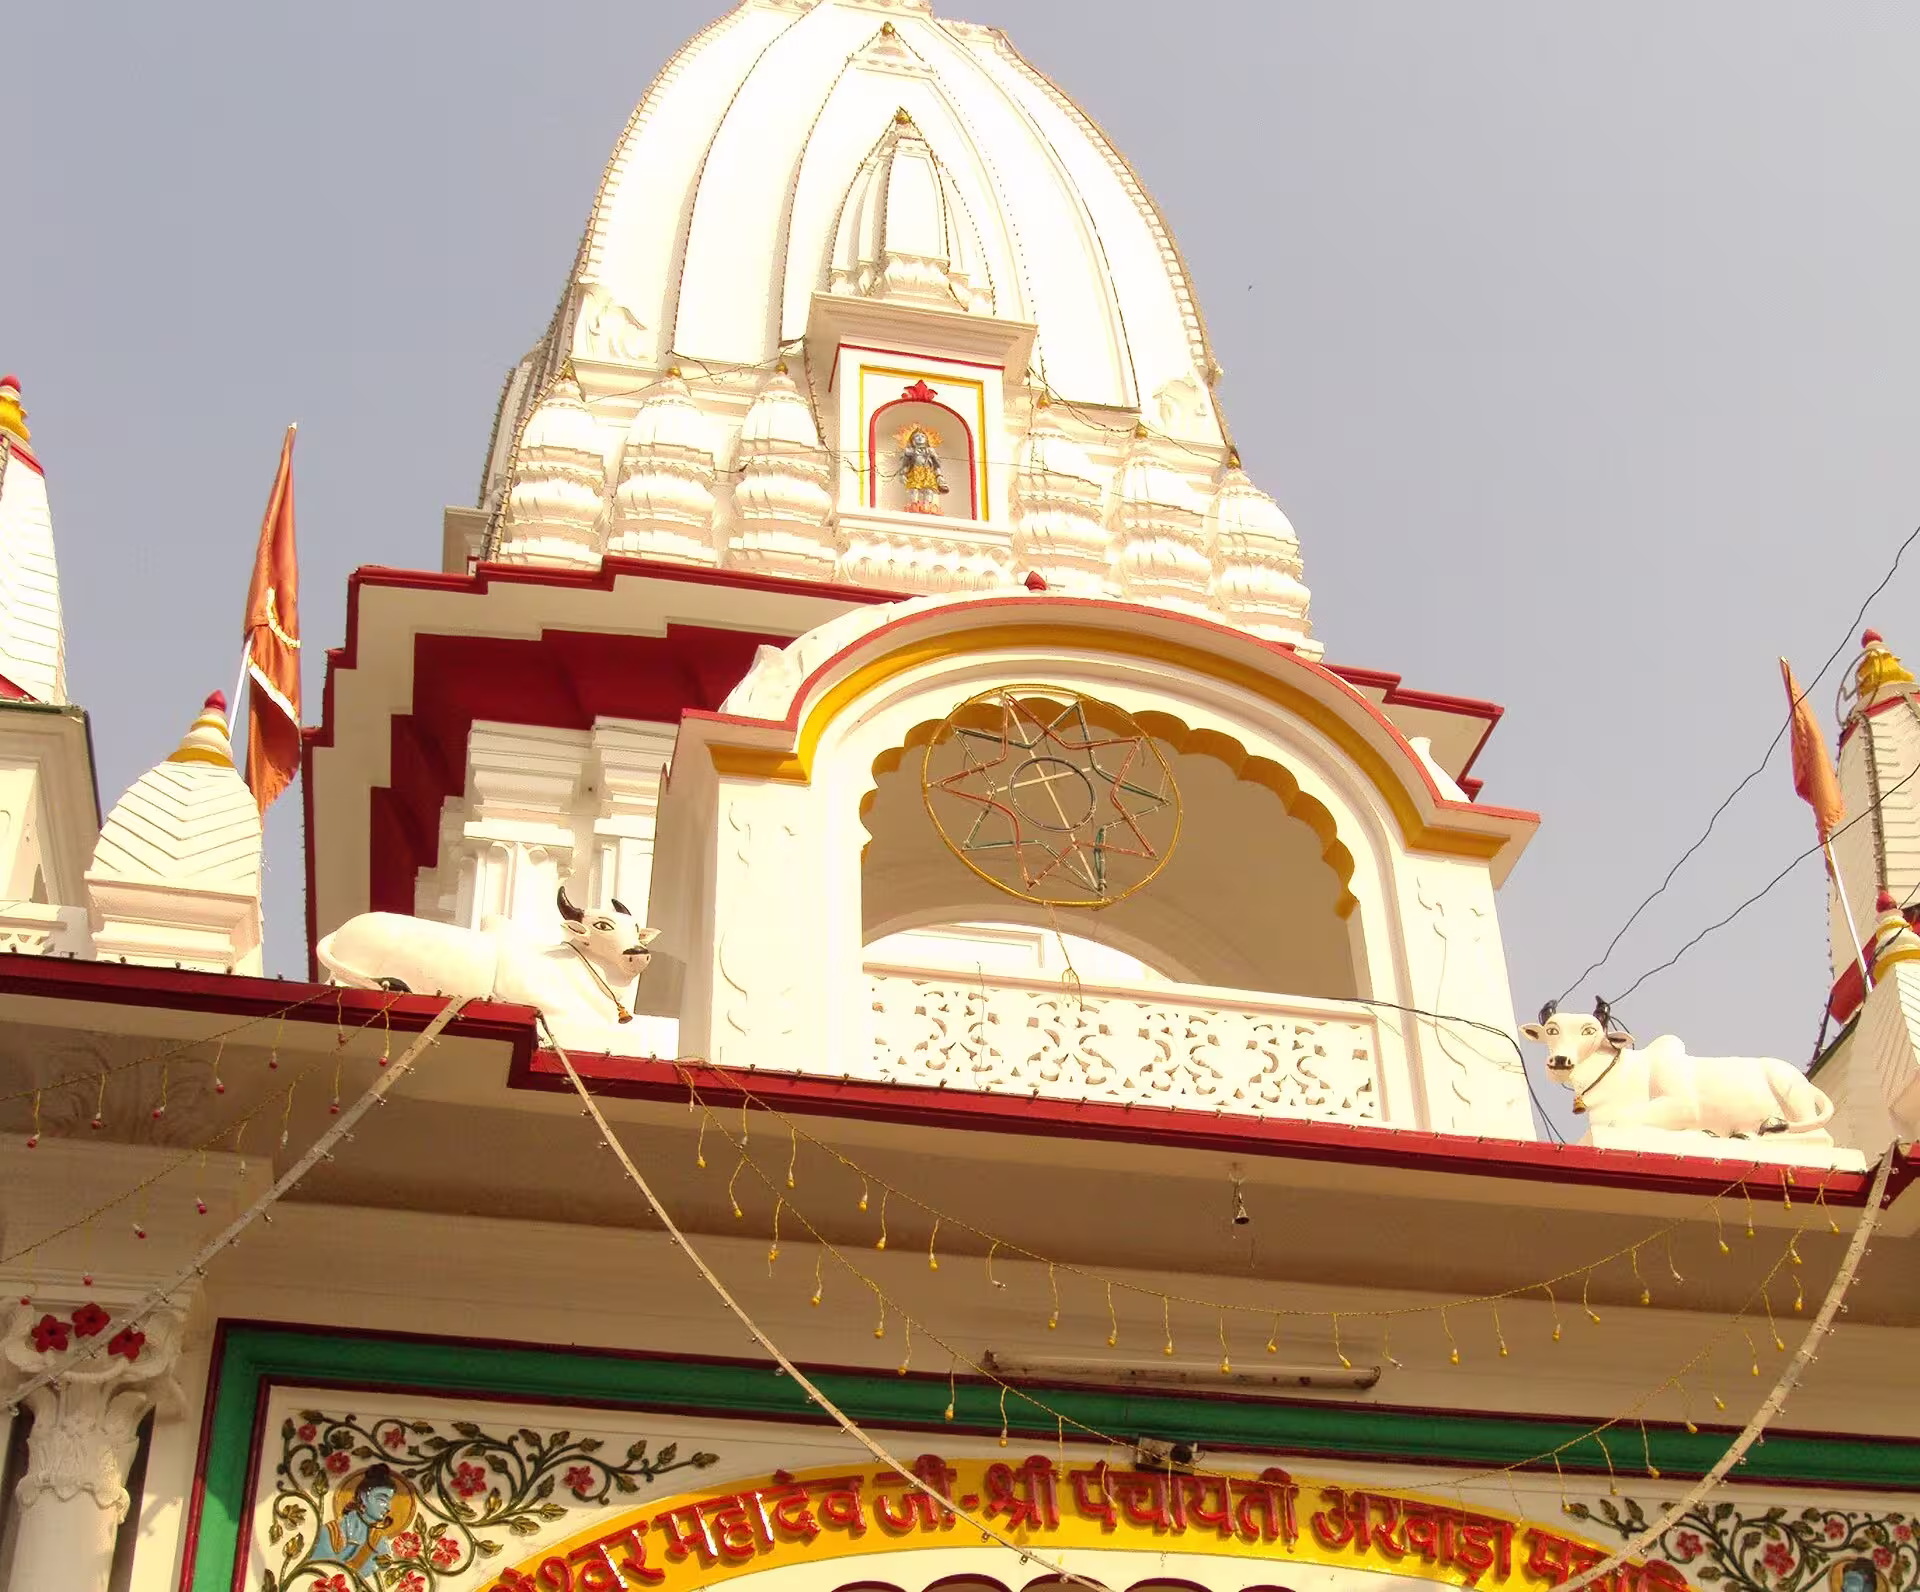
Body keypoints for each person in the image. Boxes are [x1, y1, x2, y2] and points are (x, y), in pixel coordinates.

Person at [312, 1462, 407, 1570]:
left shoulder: (379, 1541)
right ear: (364, 1496)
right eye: (382, 1499)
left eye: (389, 1501)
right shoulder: (331, 1533)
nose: (388, 1507)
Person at [895, 428, 949, 514]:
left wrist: (939, 476)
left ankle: (927, 505)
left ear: (926, 439)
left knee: (928, 489)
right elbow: (905, 465)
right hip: (915, 472)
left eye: (922, 436)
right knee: (914, 489)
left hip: (928, 472)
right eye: (917, 436)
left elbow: (936, 464)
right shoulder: (909, 451)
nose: (920, 438)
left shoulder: (930, 451)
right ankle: (914, 504)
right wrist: (903, 474)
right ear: (912, 440)